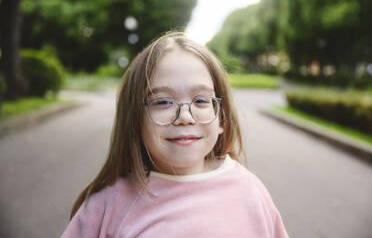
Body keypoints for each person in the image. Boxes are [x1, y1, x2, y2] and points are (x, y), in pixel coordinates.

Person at [61, 31, 289, 238]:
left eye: (200, 100)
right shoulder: (106, 207)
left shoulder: (250, 193)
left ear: (221, 117)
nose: (185, 117)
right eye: (163, 102)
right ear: (134, 120)